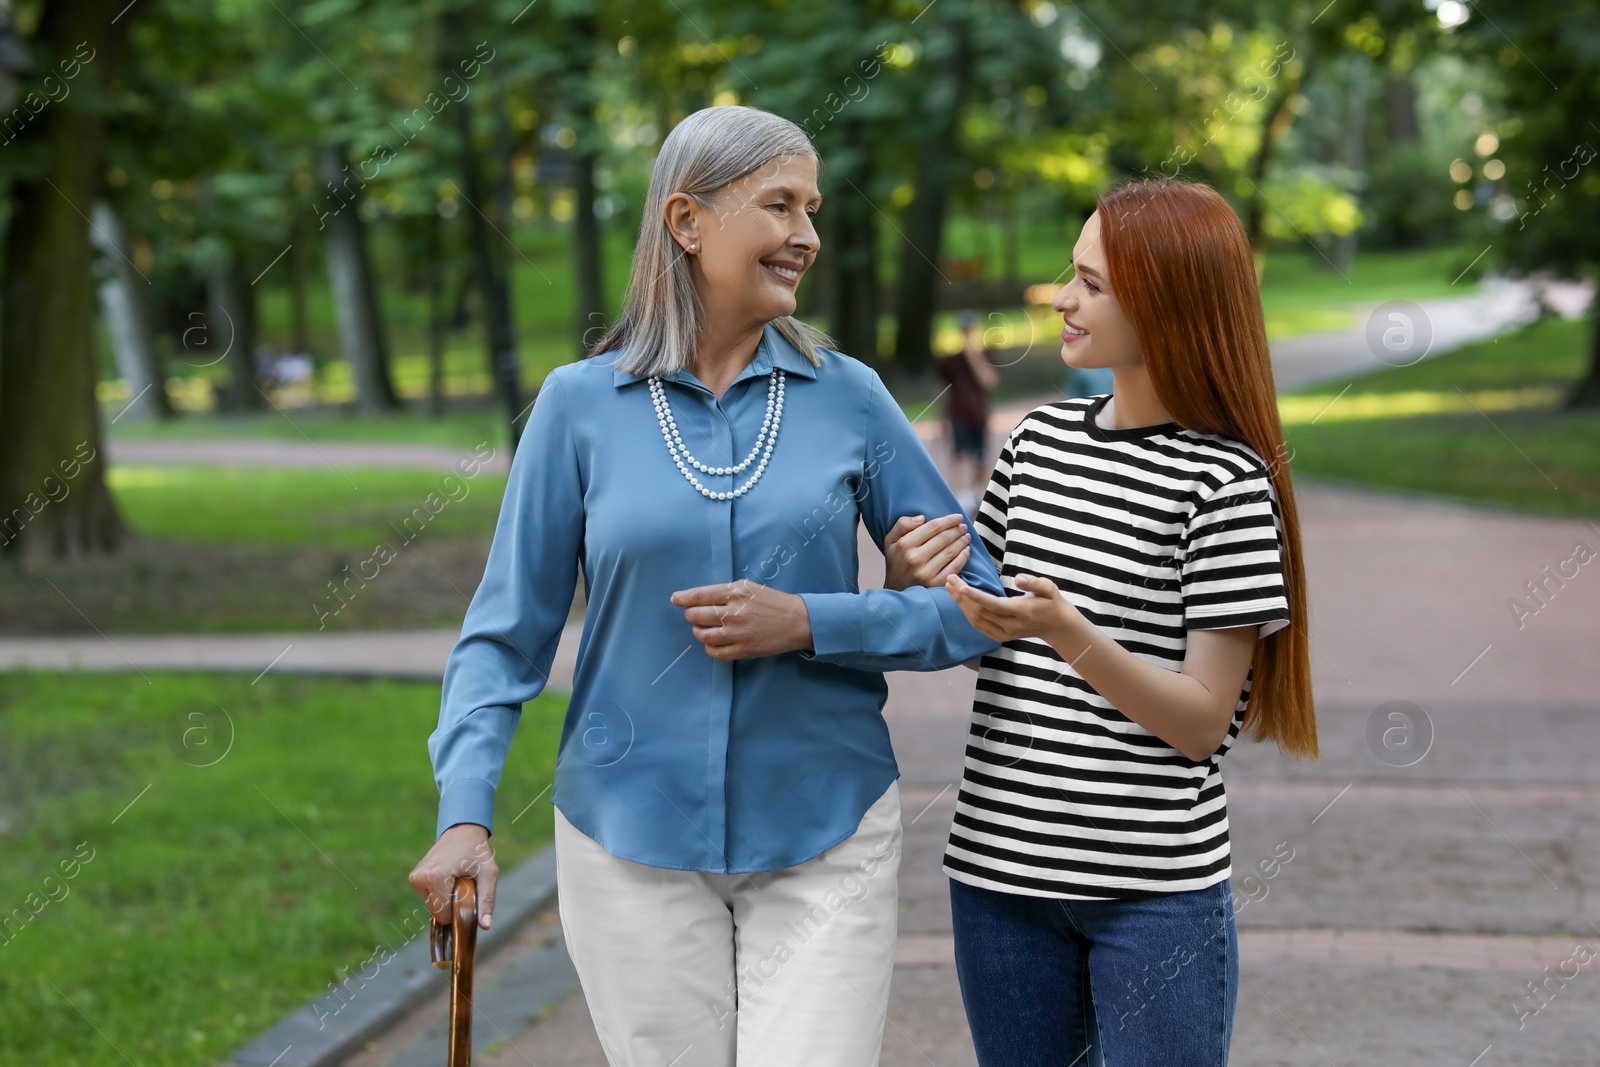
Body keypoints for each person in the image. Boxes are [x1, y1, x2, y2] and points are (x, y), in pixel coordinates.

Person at [406, 104, 1003, 1067]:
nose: (808, 235)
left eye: (812, 209)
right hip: (625, 837)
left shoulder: (850, 395)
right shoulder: (575, 407)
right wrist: (464, 815)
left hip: (827, 825)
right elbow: (504, 634)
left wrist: (815, 620)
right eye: (779, 205)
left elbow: (979, 604)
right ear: (688, 221)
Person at [884, 178, 1317, 1067]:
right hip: (998, 877)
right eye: (1069, 275)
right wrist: (913, 581)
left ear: (1167, 304)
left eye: (1093, 284)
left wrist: (1067, 631)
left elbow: (1201, 722)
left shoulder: (1225, 484)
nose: (1064, 300)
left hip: (1154, 894)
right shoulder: (1038, 443)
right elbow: (987, 634)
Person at [937, 309, 999, 518]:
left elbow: (988, 381)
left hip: (978, 415)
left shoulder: (986, 355)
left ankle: (974, 495)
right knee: (961, 455)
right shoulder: (952, 361)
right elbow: (943, 391)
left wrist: (973, 355)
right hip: (959, 415)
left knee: (981, 458)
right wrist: (943, 418)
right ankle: (963, 499)